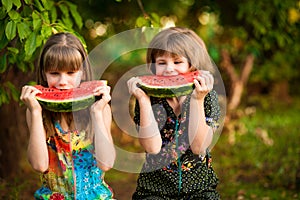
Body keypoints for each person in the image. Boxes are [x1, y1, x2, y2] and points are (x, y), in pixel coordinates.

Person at [127, 27, 221, 199]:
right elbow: (152, 148)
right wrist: (143, 100)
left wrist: (197, 100)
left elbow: (199, 147)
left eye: (177, 62)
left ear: (192, 64)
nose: (169, 69)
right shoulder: (149, 99)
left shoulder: (208, 97)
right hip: (153, 190)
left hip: (199, 189)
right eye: (162, 63)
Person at [20, 32, 115, 200]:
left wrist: (97, 113)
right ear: (44, 73)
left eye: (71, 73)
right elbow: (39, 165)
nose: (62, 81)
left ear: (83, 73)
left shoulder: (100, 108)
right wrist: (35, 112)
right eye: (54, 73)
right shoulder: (37, 111)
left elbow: (106, 163)